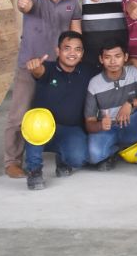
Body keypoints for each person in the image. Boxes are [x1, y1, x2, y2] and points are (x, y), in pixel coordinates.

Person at [4, 0, 82, 179]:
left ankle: (59, 154)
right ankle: (12, 161)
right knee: (19, 115)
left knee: (60, 113)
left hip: (59, 68)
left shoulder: (72, 1)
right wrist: (23, 3)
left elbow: (76, 33)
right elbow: (25, 6)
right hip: (30, 65)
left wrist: (75, 56)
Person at [22, 31, 93, 190]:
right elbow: (38, 71)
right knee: (34, 124)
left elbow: (111, 67)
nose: (72, 53)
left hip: (70, 129)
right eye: (67, 48)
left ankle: (62, 159)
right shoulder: (48, 68)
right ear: (57, 51)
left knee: (78, 159)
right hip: (42, 127)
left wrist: (132, 61)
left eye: (77, 49)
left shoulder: (87, 71)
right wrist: (35, 67)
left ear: (82, 53)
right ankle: (34, 170)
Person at [84, 40, 137, 176]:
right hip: (110, 130)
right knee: (94, 155)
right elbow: (89, 124)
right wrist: (101, 125)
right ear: (101, 59)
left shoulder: (135, 72)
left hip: (133, 125)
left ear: (126, 57)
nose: (113, 61)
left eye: (117, 56)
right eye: (107, 57)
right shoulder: (94, 83)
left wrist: (130, 103)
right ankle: (114, 152)